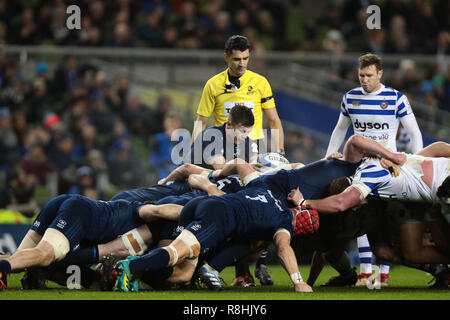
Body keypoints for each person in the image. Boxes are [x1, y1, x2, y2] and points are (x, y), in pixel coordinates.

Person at [325, 53, 424, 286]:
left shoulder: (396, 98)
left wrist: (416, 162)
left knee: (383, 218)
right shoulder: (350, 98)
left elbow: (415, 132)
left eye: (369, 75)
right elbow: (340, 129)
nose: (364, 80)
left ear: (380, 74)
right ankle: (366, 272)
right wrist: (329, 153)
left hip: (387, 166)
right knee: (360, 214)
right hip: (360, 165)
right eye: (361, 75)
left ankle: (383, 273)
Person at [298, 135, 450, 266]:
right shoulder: (360, 164)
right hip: (434, 191)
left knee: (419, 249)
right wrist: (391, 155)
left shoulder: (366, 179)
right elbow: (355, 140)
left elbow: (340, 203)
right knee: (434, 247)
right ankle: (441, 270)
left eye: (354, 204)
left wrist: (304, 202)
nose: (358, 206)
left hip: (442, 187)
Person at [0, 193, 183, 291]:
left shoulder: (126, 211)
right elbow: (159, 211)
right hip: (81, 213)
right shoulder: (140, 213)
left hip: (66, 202)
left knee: (20, 260)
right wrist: (194, 213)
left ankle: (12, 266)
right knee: (45, 255)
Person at [186, 104, 257, 170]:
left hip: (216, 179)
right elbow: (221, 168)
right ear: (229, 124)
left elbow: (255, 161)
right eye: (242, 131)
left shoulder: (246, 141)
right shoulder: (211, 136)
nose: (245, 136)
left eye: (248, 132)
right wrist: (246, 167)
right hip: (191, 178)